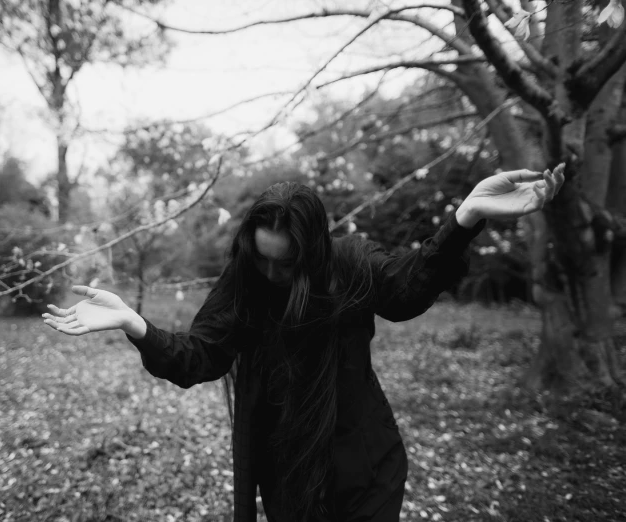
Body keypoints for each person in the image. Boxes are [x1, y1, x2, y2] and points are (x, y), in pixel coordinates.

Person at [42, 164, 565, 522]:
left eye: (285, 261)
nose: (271, 271)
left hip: (366, 466)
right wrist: (137, 324)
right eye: (262, 256)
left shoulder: (350, 264)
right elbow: (199, 356)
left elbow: (407, 291)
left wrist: (464, 220)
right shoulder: (244, 283)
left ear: (312, 249)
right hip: (287, 473)